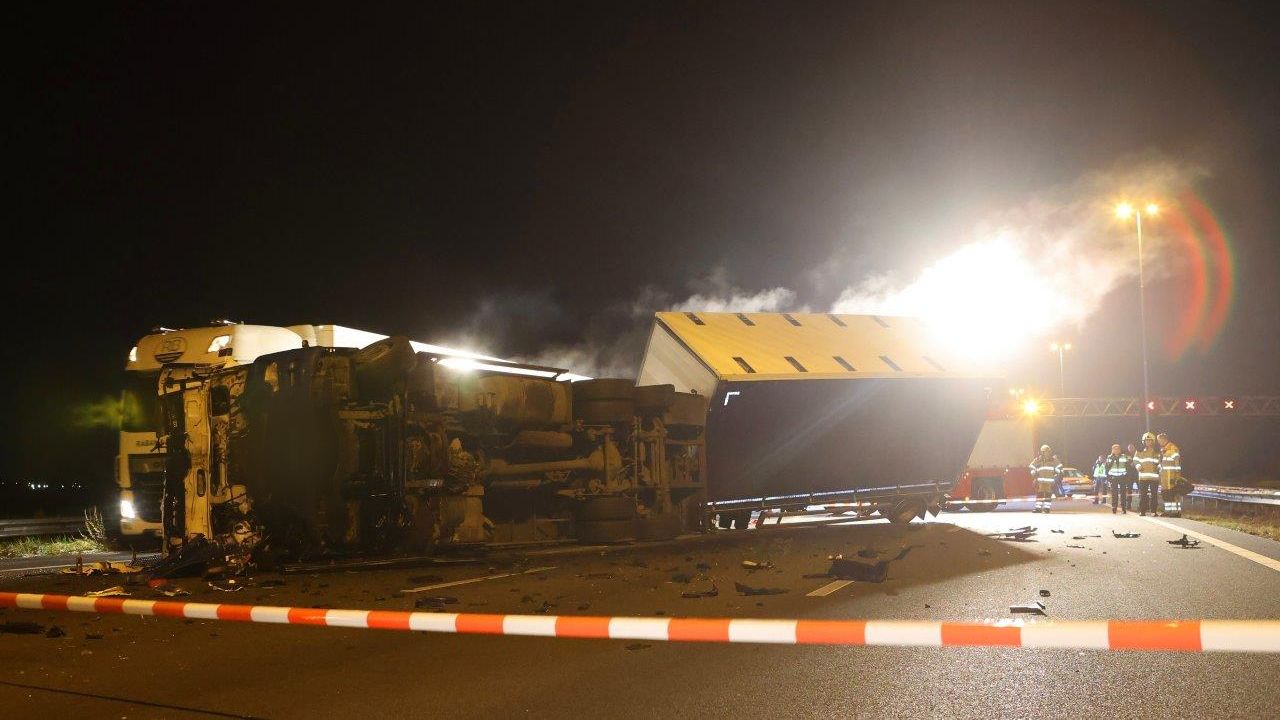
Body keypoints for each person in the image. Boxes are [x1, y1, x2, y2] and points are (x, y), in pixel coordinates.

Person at [1133, 432, 1162, 516]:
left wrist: (1159, 467)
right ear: (1143, 442)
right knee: (1143, 495)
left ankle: (1153, 511)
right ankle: (1142, 511)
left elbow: (1160, 461)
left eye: (1150, 440)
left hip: (1154, 477)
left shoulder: (1157, 452)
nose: (1148, 442)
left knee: (1154, 495)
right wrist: (1138, 466)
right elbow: (1135, 460)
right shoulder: (1139, 451)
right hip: (1143, 477)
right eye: (1146, 440)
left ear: (1153, 442)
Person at [1029, 444, 1062, 514]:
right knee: (1039, 494)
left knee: (1048, 495)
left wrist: (1057, 474)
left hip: (1049, 482)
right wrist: (1033, 471)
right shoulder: (1038, 460)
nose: (1046, 453)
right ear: (1042, 452)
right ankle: (1038, 508)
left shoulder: (1053, 460)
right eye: (1044, 451)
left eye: (1047, 451)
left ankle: (1046, 508)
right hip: (1040, 481)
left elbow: (1059, 467)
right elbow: (1031, 466)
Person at [1157, 432, 1184, 517]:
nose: (1159, 442)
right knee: (1166, 494)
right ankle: (1168, 511)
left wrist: (1177, 476)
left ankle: (1176, 512)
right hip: (1164, 477)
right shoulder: (1164, 449)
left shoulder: (1173, 448)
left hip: (1171, 476)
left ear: (1164, 439)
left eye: (1159, 440)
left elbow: (1177, 463)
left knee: (1173, 494)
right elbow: (1163, 463)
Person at [1104, 444, 1130, 514]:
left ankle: (1123, 508)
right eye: (1114, 449)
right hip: (1114, 477)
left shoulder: (1124, 456)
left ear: (1120, 450)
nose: (1116, 450)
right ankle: (1114, 507)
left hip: (1122, 477)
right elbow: (1106, 468)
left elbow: (1128, 467)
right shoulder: (1109, 457)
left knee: (1123, 493)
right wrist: (1108, 477)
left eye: (1117, 449)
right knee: (1114, 493)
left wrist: (1127, 476)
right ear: (1112, 450)